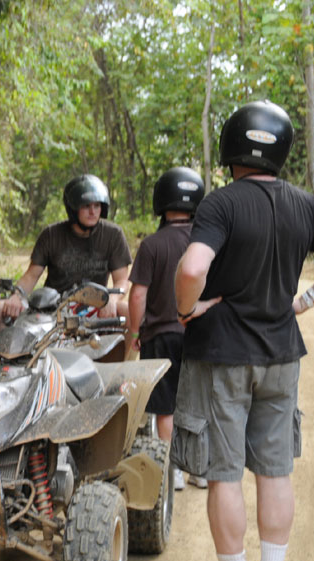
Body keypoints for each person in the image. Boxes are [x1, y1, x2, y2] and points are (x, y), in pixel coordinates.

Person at [173, 101, 314, 561]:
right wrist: (304, 300)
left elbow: (194, 267)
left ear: (230, 148)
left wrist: (185, 309)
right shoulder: (305, 204)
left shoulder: (221, 203)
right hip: (282, 354)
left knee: (223, 471)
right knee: (275, 469)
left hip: (221, 353)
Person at [127, 167, 206, 492]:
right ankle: (200, 469)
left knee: (165, 408)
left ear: (161, 201)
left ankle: (172, 471)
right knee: (199, 403)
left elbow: (138, 295)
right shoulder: (205, 243)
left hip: (160, 336)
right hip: (200, 334)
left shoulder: (152, 245)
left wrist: (134, 334)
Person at [0, 174, 132, 336]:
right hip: (52, 308)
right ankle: (10, 357)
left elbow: (122, 280)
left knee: (127, 310)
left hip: (94, 307)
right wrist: (17, 296)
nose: (93, 211)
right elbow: (31, 276)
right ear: (73, 208)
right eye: (86, 206)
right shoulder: (51, 234)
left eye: (97, 206)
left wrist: (112, 299)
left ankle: (120, 361)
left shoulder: (113, 234)